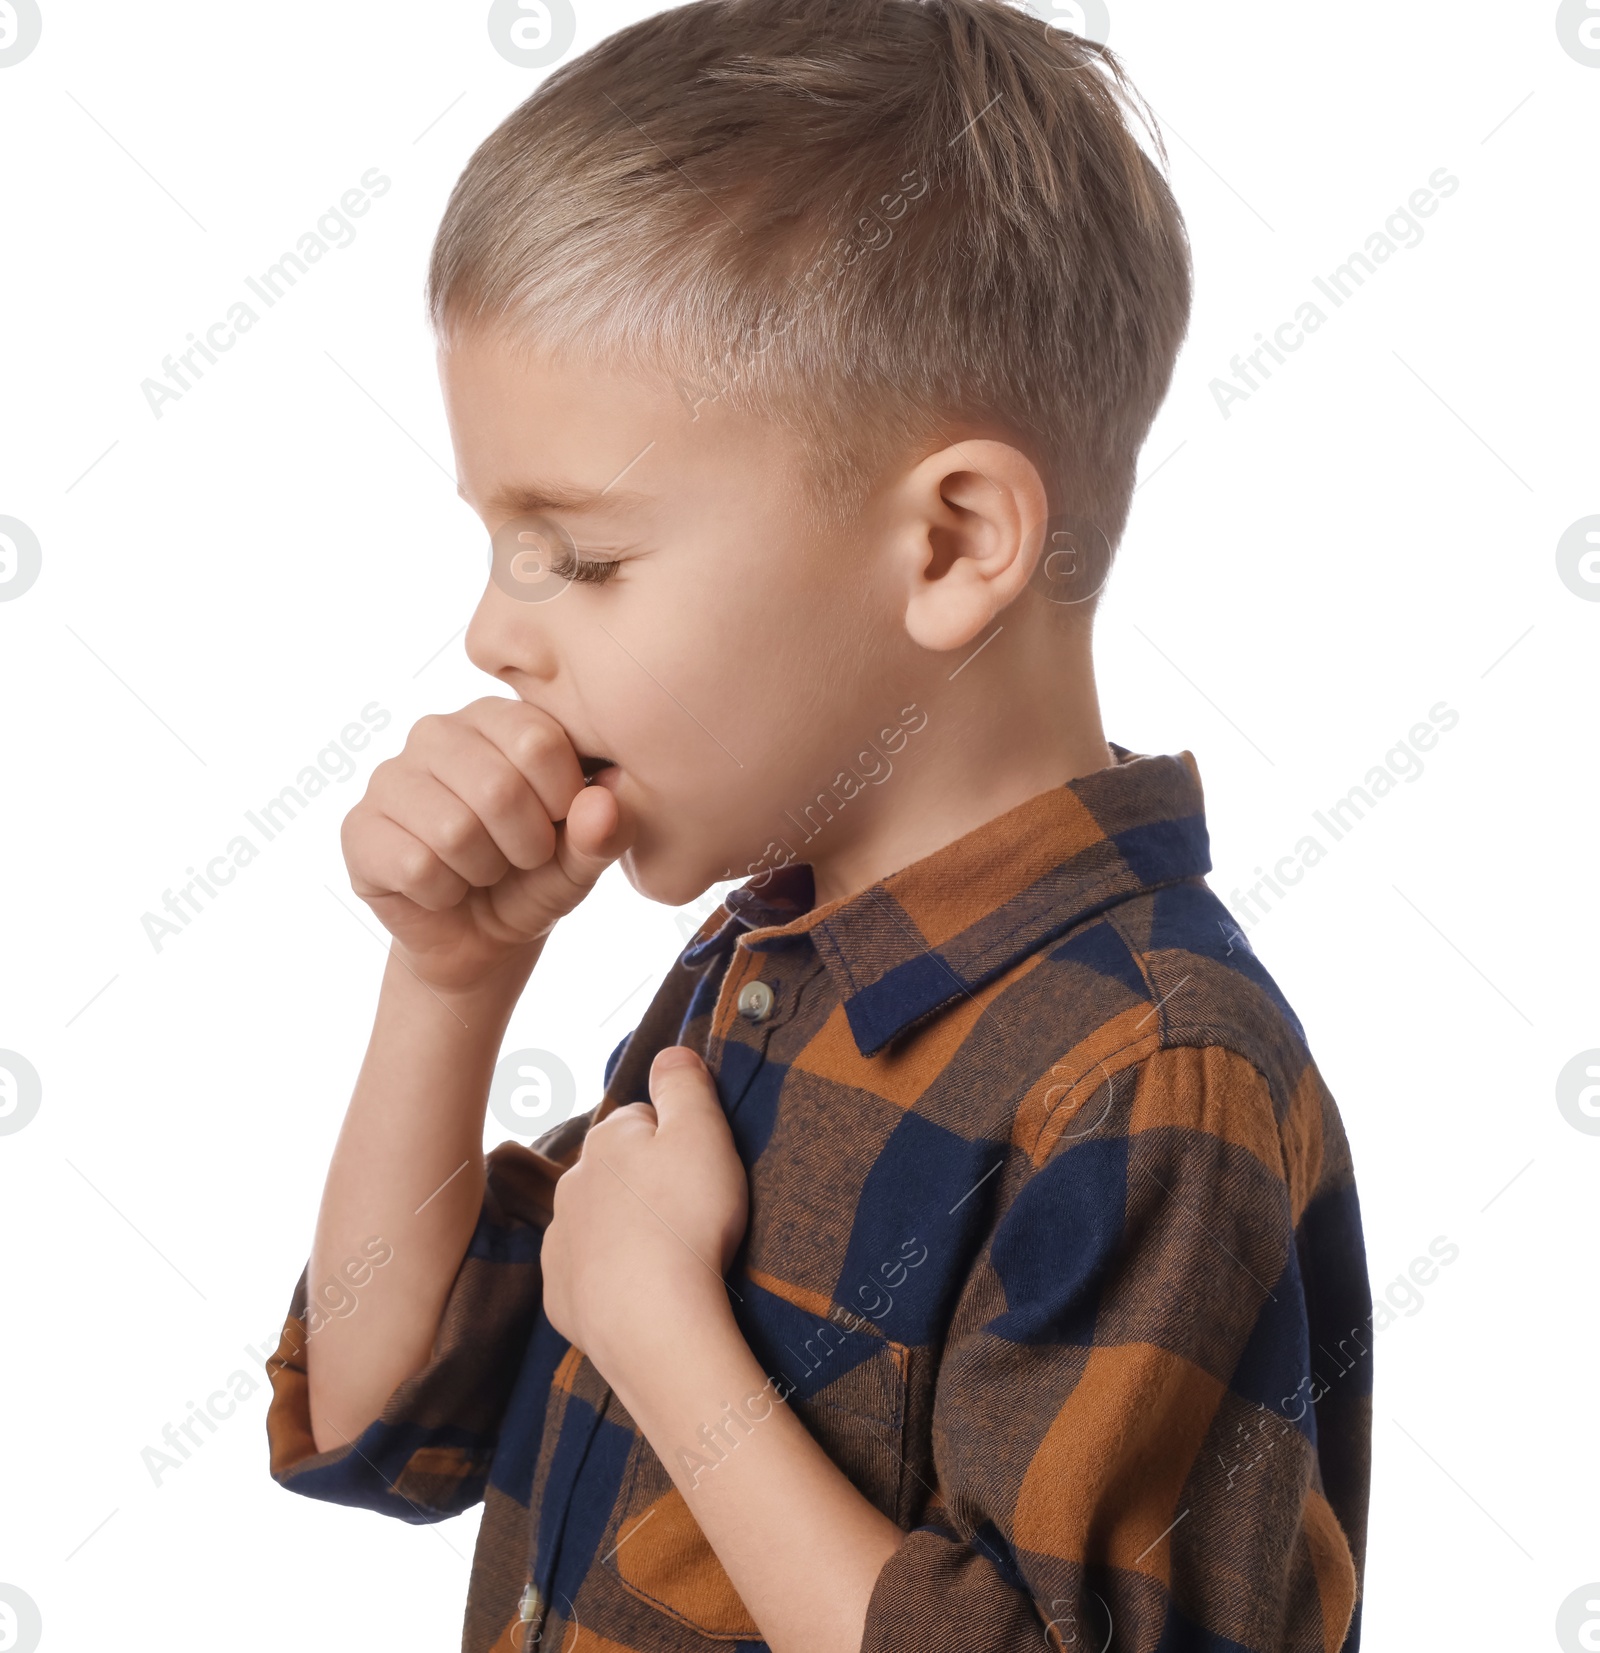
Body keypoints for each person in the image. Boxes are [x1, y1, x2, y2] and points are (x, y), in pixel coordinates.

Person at [264, 2, 1372, 1648]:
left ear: (948, 546)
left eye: (585, 554)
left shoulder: (1149, 1075)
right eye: (502, 544)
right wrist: (448, 980)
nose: (499, 634)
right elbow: (383, 1409)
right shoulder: (772, 963)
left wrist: (665, 1340)